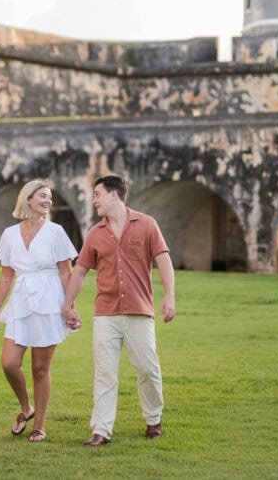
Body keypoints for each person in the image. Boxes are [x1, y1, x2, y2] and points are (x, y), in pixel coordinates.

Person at [63, 175, 176, 447]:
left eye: (98, 194)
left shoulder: (147, 225)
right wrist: (68, 304)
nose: (94, 201)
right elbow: (80, 272)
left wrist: (169, 296)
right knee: (104, 373)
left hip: (139, 310)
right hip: (105, 313)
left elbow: (163, 260)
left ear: (114, 195)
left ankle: (153, 419)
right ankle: (101, 430)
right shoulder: (95, 233)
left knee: (147, 368)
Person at [0, 179, 78, 442]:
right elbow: (6, 276)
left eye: (49, 196)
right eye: (42, 195)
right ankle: (26, 407)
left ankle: (39, 424)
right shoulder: (9, 234)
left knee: (40, 369)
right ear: (28, 199)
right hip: (20, 302)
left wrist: (69, 307)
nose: (48, 200)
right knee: (9, 363)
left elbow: (66, 272)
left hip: (49, 302)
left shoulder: (56, 232)